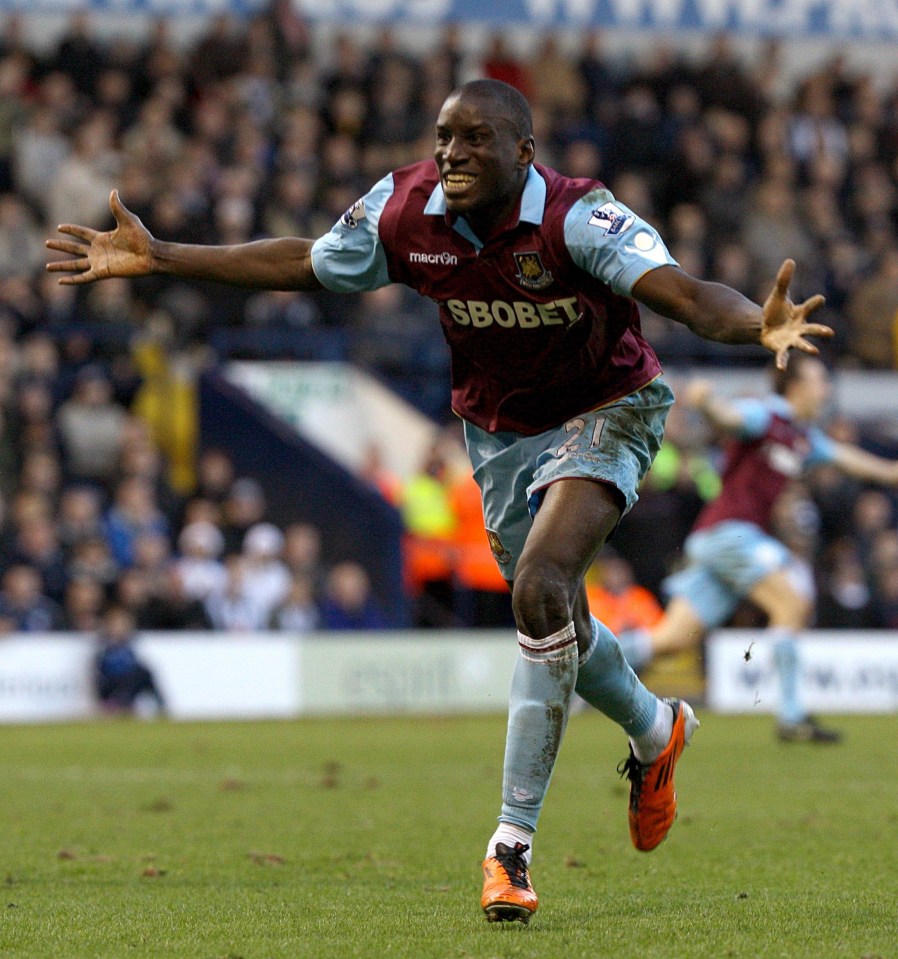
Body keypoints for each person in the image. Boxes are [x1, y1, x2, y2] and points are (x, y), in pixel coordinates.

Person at [46, 78, 832, 924]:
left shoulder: (580, 219)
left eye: (475, 139)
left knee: (538, 589)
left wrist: (757, 322)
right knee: (555, 609)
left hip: (609, 410)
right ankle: (655, 729)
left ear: (524, 153)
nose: (452, 153)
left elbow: (682, 295)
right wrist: (166, 256)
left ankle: (511, 846)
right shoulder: (404, 208)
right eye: (444, 136)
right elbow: (305, 262)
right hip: (498, 435)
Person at [618, 357, 898, 742]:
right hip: (731, 535)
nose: (826, 390)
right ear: (795, 386)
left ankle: (580, 666)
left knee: (670, 640)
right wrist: (706, 403)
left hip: (718, 540)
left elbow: (849, 460)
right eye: (819, 381)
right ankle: (791, 717)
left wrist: (892, 472)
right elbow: (731, 420)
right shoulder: (766, 416)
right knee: (793, 604)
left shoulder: (802, 437)